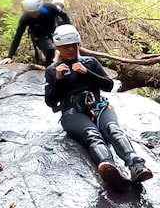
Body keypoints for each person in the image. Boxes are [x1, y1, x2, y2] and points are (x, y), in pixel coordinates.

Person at [44, 24, 153, 187]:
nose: (71, 50)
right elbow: (51, 102)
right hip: (73, 113)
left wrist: (87, 73)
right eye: (66, 47)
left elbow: (108, 85)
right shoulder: (53, 70)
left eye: (74, 46)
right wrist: (58, 80)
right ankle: (108, 167)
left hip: (99, 106)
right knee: (91, 134)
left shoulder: (90, 62)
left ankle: (136, 165)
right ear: (58, 47)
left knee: (113, 130)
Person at [1, 0, 70, 67]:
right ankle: (49, 68)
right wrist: (9, 56)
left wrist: (68, 31)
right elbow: (18, 36)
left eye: (36, 12)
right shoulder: (25, 18)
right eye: (31, 13)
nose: (33, 15)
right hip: (39, 35)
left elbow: (64, 16)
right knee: (50, 50)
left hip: (52, 31)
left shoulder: (50, 7)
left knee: (63, 47)